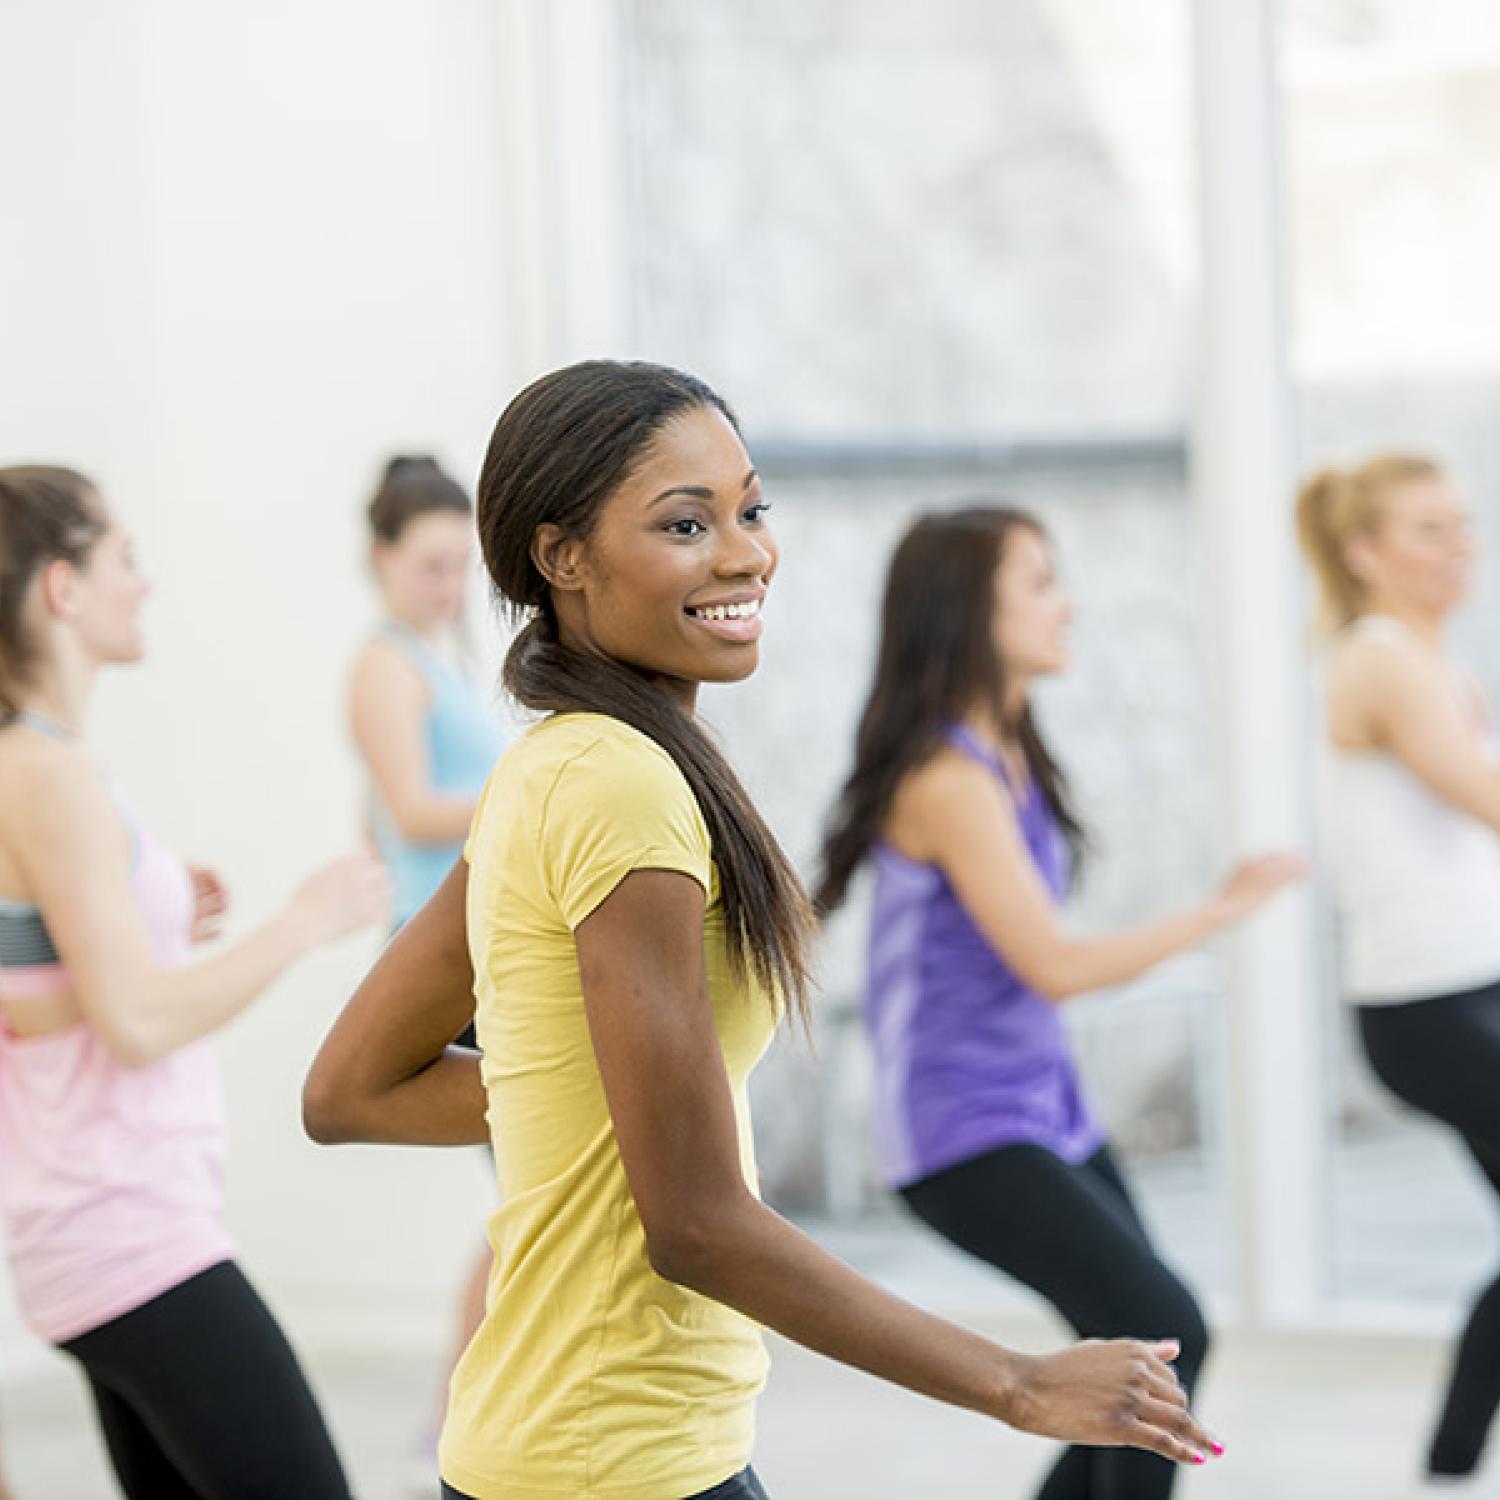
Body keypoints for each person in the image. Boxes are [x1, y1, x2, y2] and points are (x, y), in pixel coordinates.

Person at [303, 361, 1225, 1500]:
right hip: (612, 1464)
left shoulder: (551, 768)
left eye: (751, 510)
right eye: (686, 524)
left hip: (584, 1449)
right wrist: (1019, 1385)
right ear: (563, 558)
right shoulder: (617, 787)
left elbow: (347, 1090)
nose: (745, 554)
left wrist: (587, 1095)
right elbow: (696, 1221)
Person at [815, 504, 1304, 1498]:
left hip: (1042, 1105)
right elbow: (1055, 964)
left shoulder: (1011, 753)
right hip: (961, 1128)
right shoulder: (948, 780)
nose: (1066, 605)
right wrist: (1221, 909)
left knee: (1136, 1356)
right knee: (1166, 1340)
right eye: (1039, 583)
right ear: (966, 613)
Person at [0, 464, 389, 1499]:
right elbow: (131, 1019)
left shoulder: (37, 766)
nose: (147, 582)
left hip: (94, 1238)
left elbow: (43, 983)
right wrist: (303, 922)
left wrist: (161, 905)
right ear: (60, 588)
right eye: (125, 558)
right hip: (128, 1232)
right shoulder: (49, 777)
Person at [1298, 453, 1500, 1487]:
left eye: (1462, 524)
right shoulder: (1379, 658)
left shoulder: (1439, 663)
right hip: (1425, 1008)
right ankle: (1452, 1463)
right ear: (1365, 552)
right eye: (1431, 529)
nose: (1460, 546)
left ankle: (1451, 1463)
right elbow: (1487, 800)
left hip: (1478, 989)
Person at [348, 455, 502, 1457]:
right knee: (539, 1189)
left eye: (461, 566)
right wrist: (540, 795)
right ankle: (460, 1421)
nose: (448, 587)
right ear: (381, 559)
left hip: (484, 942)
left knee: (535, 1191)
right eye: (430, 567)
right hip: (444, 960)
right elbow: (408, 810)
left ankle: (465, 1416)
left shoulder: (446, 659)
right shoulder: (385, 666)